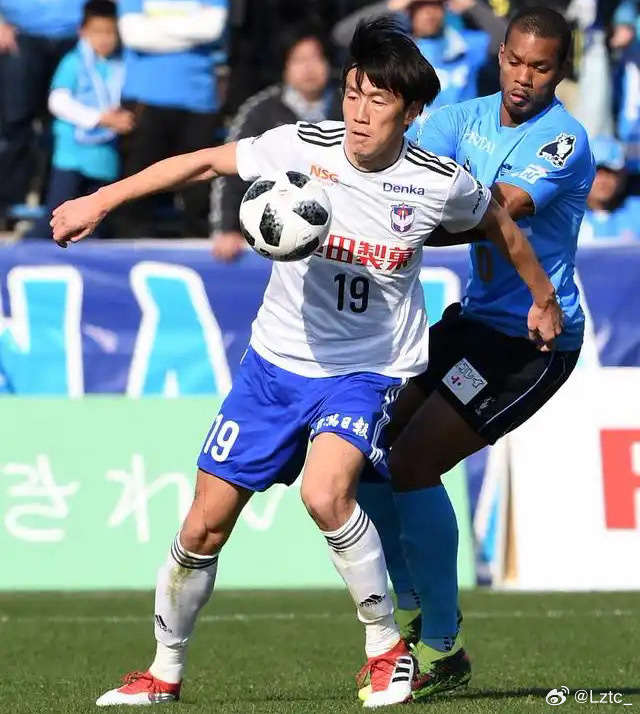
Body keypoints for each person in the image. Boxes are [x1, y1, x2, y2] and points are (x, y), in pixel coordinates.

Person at [50, 17, 562, 709]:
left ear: (412, 112)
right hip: (274, 366)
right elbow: (203, 163)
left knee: (326, 494)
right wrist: (100, 199)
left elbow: (500, 225)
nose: (359, 113)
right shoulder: (300, 146)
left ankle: (386, 650)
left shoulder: (438, 182)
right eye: (353, 94)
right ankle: (163, 672)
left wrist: (542, 298)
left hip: (366, 371)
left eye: (377, 100)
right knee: (202, 527)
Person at [355, 5, 595, 703]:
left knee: (413, 461)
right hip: (472, 324)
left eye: (540, 67)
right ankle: (415, 608)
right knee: (363, 441)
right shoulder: (463, 119)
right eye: (515, 61)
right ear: (501, 55)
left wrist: (398, 220)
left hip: (530, 342)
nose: (523, 77)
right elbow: (395, 160)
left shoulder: (564, 141)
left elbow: (496, 209)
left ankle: (439, 642)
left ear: (561, 71)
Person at [211, 24, 341, 261]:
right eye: (299, 60)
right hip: (278, 234)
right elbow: (231, 173)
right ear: (284, 67)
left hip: (341, 234)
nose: (309, 68)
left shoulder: (348, 107)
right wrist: (226, 228)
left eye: (315, 58)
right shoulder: (260, 112)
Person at [115, 0, 229, 238]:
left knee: (199, 187)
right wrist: (192, 33)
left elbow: (212, 29)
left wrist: (155, 27)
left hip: (198, 99)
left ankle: (198, 245)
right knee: (136, 184)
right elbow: (134, 35)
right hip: (145, 97)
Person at [27, 0, 134, 240]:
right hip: (72, 155)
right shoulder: (73, 62)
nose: (104, 39)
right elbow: (58, 101)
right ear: (82, 32)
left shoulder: (121, 64)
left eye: (110, 32)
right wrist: (99, 119)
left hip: (104, 157)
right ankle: (20, 255)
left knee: (95, 225)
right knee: (56, 218)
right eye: (97, 32)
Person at [332, 0, 508, 138]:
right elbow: (342, 35)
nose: (429, 13)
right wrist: (393, 5)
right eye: (420, 6)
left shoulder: (465, 44)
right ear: (409, 11)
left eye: (435, 5)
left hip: (461, 142)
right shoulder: (397, 48)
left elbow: (508, 40)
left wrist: (472, 6)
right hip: (409, 145)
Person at [0, 0, 86, 222]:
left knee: (66, 126)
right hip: (19, 34)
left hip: (77, 37)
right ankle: (8, 208)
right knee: (15, 123)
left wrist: (96, 24)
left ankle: (59, 208)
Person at [578, 135, 640, 243]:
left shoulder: (637, 211)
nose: (603, 180)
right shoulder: (564, 217)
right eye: (596, 172)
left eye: (610, 172)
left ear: (623, 176)